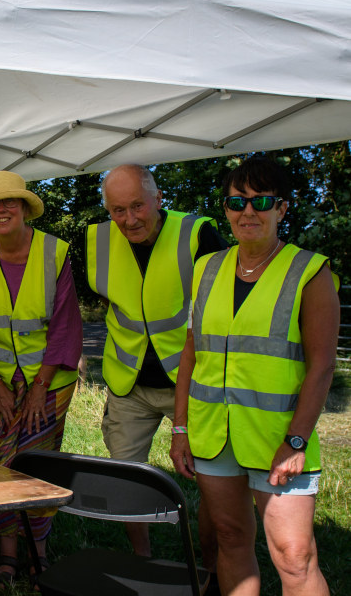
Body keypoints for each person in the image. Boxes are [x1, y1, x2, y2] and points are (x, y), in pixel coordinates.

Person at [170, 157, 337, 596]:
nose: (248, 211)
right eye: (237, 202)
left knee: (295, 557)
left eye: (262, 201)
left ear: (283, 208)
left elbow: (322, 366)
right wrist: (181, 427)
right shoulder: (207, 268)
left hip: (278, 439)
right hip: (212, 435)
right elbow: (191, 353)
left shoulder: (311, 272)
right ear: (224, 209)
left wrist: (297, 441)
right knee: (230, 540)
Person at [85, 163, 225, 569]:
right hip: (128, 381)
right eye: (117, 210)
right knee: (126, 479)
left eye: (137, 206)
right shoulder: (96, 239)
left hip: (194, 380)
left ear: (158, 199)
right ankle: (141, 560)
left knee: (215, 482)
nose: (129, 220)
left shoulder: (198, 233)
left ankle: (211, 567)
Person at [0, 171, 81, 590]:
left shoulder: (55, 252)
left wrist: (39, 387)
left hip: (49, 382)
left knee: (35, 464)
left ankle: (38, 551)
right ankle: (7, 554)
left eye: (10, 203)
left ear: (25, 208)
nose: (1, 210)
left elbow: (64, 326)